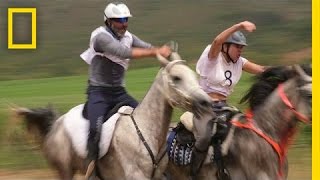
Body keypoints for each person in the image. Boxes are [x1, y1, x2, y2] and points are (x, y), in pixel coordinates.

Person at [80, 2, 172, 179]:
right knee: (95, 129)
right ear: (108, 21)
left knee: (148, 123)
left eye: (126, 20)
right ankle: (94, 170)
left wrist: (165, 54)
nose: (124, 23)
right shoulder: (100, 37)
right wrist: (155, 52)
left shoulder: (128, 36)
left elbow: (146, 46)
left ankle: (158, 166)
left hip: (119, 92)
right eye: (119, 20)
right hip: (99, 92)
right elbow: (122, 52)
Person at [191, 21, 267, 177]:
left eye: (242, 48)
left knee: (246, 129)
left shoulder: (239, 62)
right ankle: (194, 171)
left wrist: (289, 71)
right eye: (237, 47)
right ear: (226, 47)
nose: (240, 50)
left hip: (224, 107)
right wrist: (239, 26)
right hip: (205, 106)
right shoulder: (213, 57)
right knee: (205, 136)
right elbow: (217, 41)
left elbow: (262, 70)